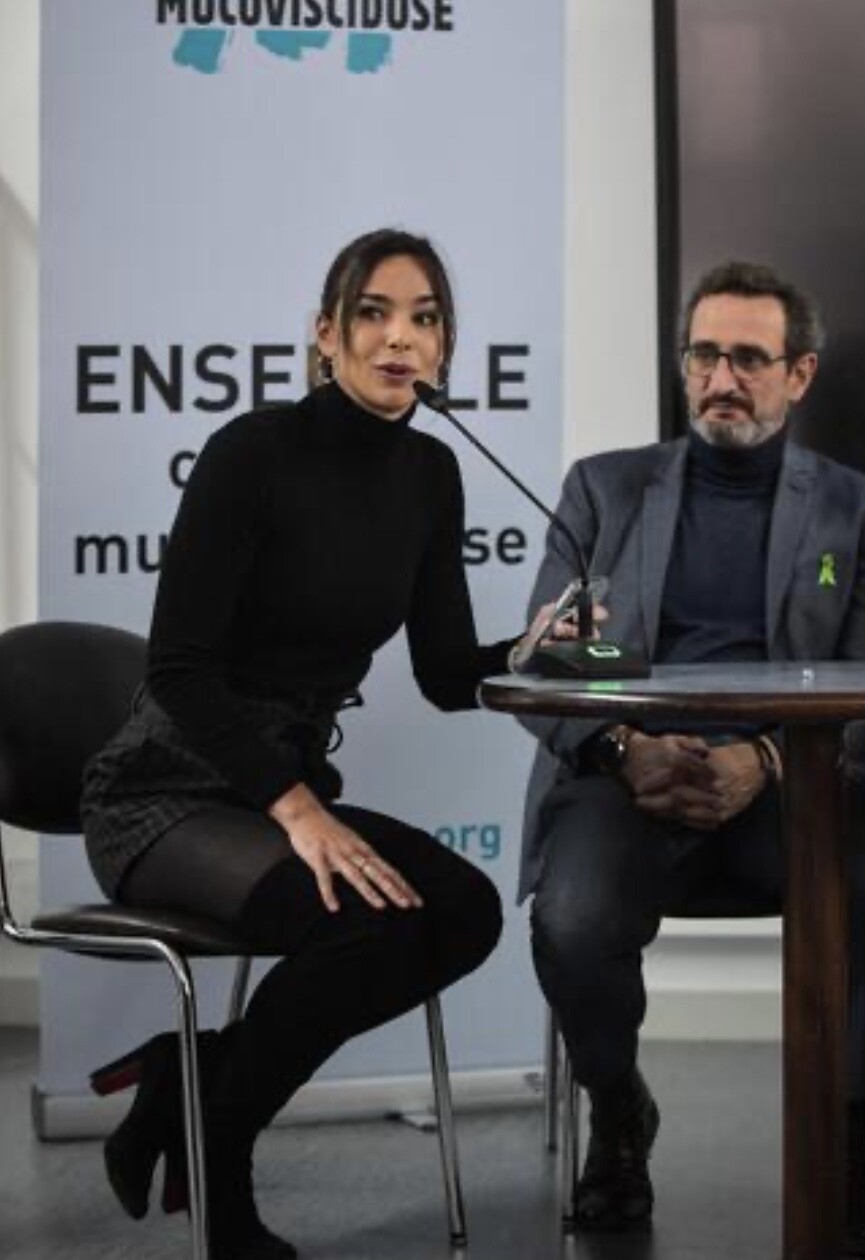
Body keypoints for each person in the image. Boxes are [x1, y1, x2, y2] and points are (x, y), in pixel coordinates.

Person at [81, 228, 553, 1260]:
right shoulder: (251, 454)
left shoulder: (431, 473)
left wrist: (534, 653)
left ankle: (192, 1079)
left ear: (444, 345)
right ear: (325, 334)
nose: (400, 339)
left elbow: (442, 673)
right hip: (165, 792)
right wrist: (297, 810)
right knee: (361, 924)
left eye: (424, 319)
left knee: (463, 912)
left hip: (277, 790)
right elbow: (178, 671)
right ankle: (222, 1158)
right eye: (373, 314)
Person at [518, 260, 865, 1239]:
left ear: (798, 374)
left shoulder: (850, 509)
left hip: (790, 782)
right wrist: (626, 744)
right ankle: (618, 1114)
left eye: (748, 359)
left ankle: (849, 1132)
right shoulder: (603, 489)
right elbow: (545, 664)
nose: (722, 379)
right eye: (704, 355)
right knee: (571, 919)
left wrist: (765, 757)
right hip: (627, 775)